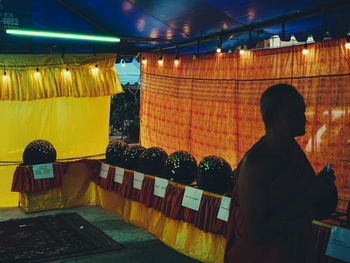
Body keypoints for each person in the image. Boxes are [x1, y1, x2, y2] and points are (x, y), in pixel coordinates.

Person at [224, 84, 337, 263]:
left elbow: (300, 198)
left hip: (293, 250)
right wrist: (311, 195)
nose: (304, 119)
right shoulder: (256, 163)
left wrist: (323, 188)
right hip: (262, 255)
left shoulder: (291, 150)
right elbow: (256, 233)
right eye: (295, 114)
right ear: (273, 118)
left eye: (303, 112)